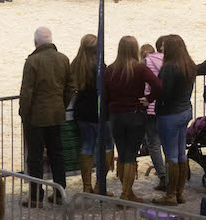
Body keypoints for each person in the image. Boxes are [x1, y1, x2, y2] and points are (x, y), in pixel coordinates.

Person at [103, 35, 162, 202]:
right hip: (135, 114)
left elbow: (105, 95)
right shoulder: (139, 68)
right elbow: (158, 85)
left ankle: (127, 192)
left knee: (122, 154)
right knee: (130, 155)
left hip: (116, 115)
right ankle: (126, 194)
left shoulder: (111, 69)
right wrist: (149, 99)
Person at [19, 27, 72, 205]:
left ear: (35, 42)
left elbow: (27, 92)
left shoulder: (33, 61)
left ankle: (35, 196)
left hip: (36, 117)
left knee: (35, 157)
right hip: (57, 114)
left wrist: (24, 113)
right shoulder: (63, 59)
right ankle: (59, 193)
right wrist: (62, 105)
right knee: (57, 154)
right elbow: (70, 88)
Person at [153, 34, 194, 206]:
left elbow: (164, 93)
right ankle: (179, 192)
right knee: (181, 154)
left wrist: (151, 98)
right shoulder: (189, 65)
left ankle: (170, 194)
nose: (161, 49)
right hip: (185, 110)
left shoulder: (169, 67)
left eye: (163, 46)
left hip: (170, 114)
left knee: (170, 156)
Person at [71, 34, 116, 193]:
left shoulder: (75, 64)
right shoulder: (99, 67)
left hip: (82, 111)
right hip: (99, 112)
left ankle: (87, 186)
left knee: (87, 146)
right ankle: (99, 185)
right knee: (108, 146)